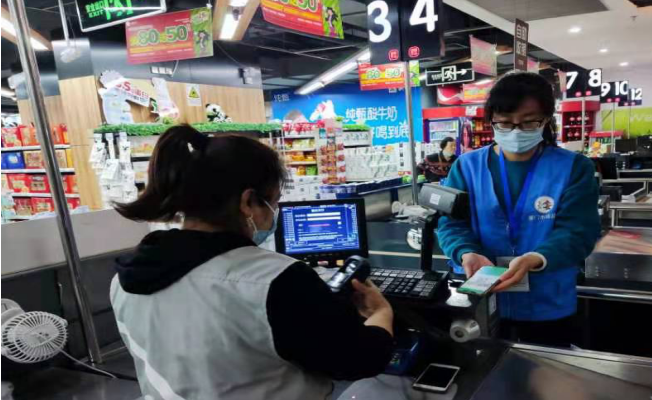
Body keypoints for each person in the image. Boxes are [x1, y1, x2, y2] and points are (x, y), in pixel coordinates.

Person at [110, 126, 394, 399]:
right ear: (248, 202)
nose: (275, 212)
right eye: (274, 201)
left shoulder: (125, 279)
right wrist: (381, 313)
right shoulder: (275, 281)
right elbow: (359, 360)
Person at [437, 72, 601, 347]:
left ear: (546, 119)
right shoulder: (466, 167)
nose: (515, 131)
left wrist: (536, 258)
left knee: (546, 382)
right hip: (482, 299)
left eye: (528, 123)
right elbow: (452, 224)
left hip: (547, 303)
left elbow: (578, 231)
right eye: (504, 123)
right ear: (492, 121)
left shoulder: (573, 168)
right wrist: (466, 251)